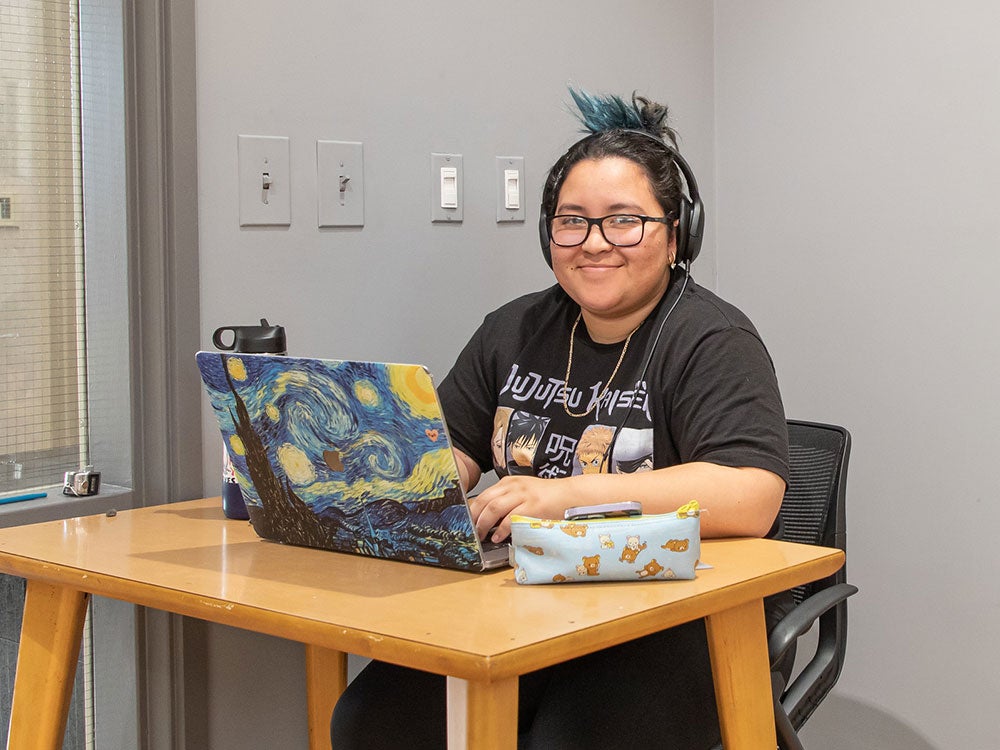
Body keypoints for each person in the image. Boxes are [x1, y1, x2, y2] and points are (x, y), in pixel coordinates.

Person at [330, 89, 791, 749]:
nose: (594, 243)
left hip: (674, 620)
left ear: (676, 234)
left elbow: (751, 494)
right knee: (374, 721)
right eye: (572, 221)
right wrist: (387, 480)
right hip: (524, 602)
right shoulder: (513, 329)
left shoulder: (713, 340)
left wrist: (566, 496)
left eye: (624, 221)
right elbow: (451, 452)